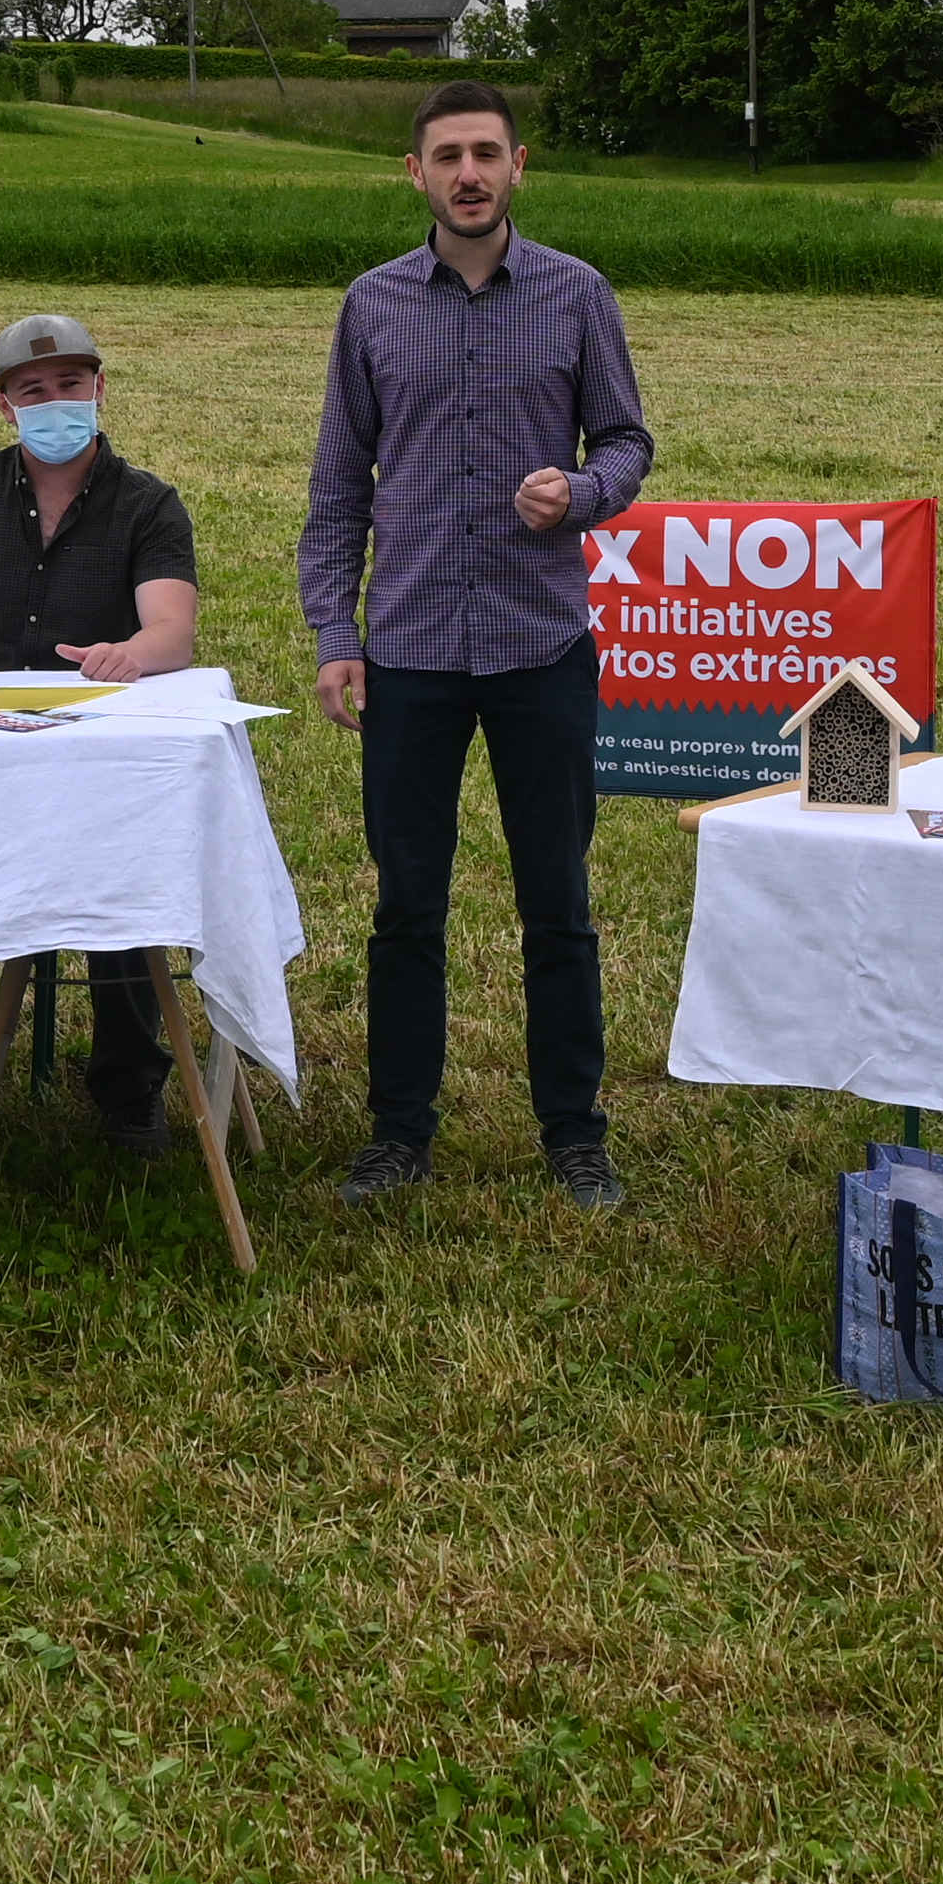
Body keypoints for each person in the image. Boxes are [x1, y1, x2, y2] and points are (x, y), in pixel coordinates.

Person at [301, 78, 652, 1210]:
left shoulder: (576, 294)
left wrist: (587, 488)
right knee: (408, 904)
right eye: (447, 153)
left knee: (556, 899)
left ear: (518, 165)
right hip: (407, 649)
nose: (468, 172)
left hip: (539, 643)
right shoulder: (371, 306)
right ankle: (399, 1132)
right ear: (415, 171)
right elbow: (336, 489)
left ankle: (575, 1134)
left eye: (486, 152)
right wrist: (334, 633)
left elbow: (631, 439)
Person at [0, 312, 206, 1154]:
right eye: (33, 392)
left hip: (92, 752)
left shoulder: (148, 503)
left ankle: (131, 1086)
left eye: (70, 386)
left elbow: (172, 632)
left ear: (100, 389)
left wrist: (127, 654)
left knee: (124, 884)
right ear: (3, 405)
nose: (54, 403)